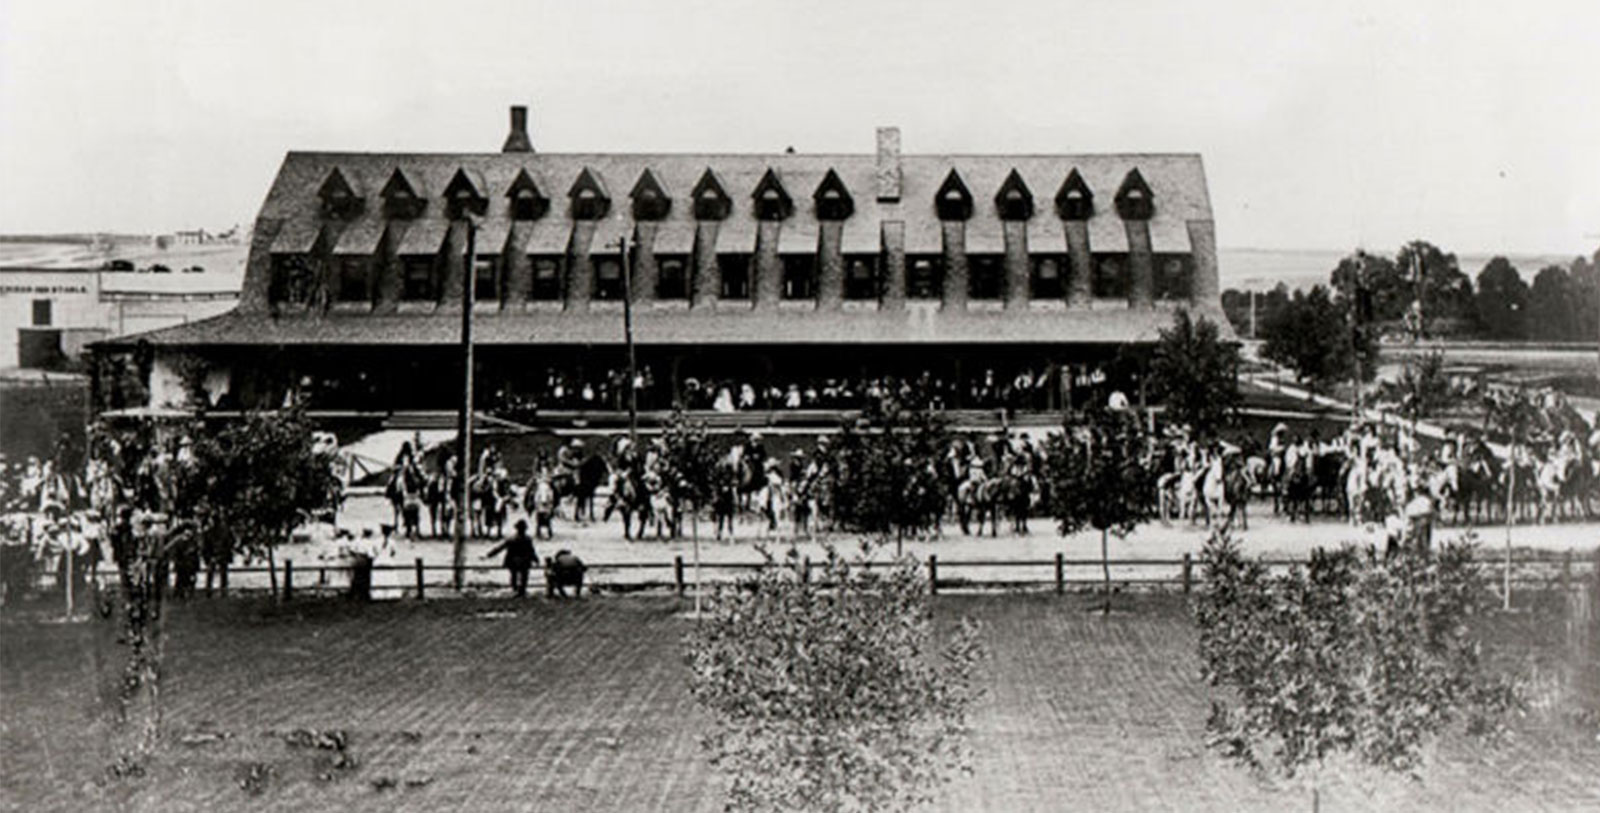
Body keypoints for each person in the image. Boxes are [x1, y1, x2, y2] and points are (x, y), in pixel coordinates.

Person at [484, 519, 538, 598]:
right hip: (524, 561)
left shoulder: (512, 539)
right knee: (524, 576)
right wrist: (535, 559)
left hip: (513, 561)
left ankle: (515, 589)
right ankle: (522, 590)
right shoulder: (527, 539)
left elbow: (500, 548)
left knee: (514, 575)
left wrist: (489, 555)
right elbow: (531, 551)